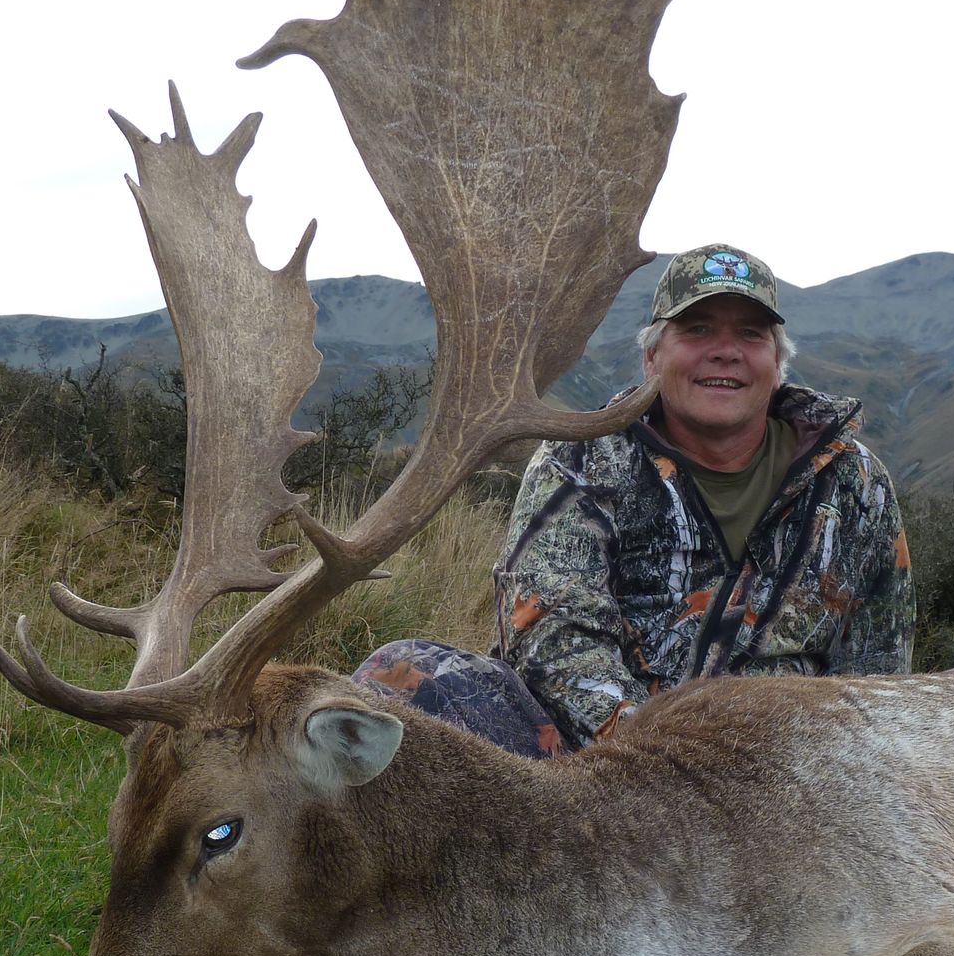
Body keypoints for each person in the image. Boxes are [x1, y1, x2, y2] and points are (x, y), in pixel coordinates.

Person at [354, 243, 914, 755]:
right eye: (696, 330)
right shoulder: (579, 461)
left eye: (750, 334)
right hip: (607, 771)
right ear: (652, 359)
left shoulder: (853, 481)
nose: (726, 352)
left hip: (793, 772)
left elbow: (879, 673)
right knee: (403, 677)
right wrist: (673, 764)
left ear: (777, 361)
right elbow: (553, 644)